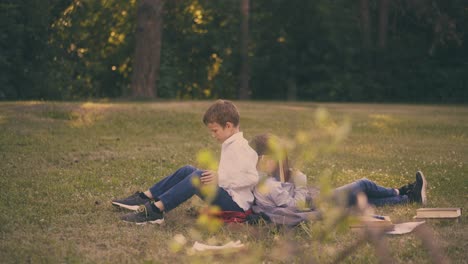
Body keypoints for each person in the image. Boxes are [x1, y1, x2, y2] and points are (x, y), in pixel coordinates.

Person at [112, 100, 259, 225]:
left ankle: (155, 211)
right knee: (187, 170)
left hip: (236, 205)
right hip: (227, 194)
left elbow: (252, 178)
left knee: (198, 177)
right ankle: (145, 197)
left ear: (228, 126)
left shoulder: (240, 147)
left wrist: (220, 178)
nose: (213, 135)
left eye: (215, 131)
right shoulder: (231, 143)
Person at [249, 133, 427, 226]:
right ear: (266, 159)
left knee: (361, 200)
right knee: (363, 184)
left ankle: (409, 197)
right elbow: (295, 206)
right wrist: (301, 183)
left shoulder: (265, 180)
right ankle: (400, 191)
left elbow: (286, 199)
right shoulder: (268, 185)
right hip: (315, 203)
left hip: (314, 200)